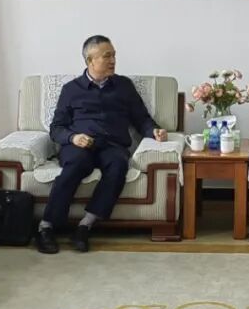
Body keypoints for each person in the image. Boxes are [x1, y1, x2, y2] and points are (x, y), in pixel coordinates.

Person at [36, 35, 168, 254]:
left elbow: (141, 118)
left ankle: (85, 226)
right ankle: (46, 227)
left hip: (112, 145)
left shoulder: (124, 86)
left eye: (114, 55)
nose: (113, 60)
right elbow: (56, 127)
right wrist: (73, 138)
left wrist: (154, 131)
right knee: (75, 165)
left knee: (118, 165)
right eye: (107, 56)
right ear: (90, 60)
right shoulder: (71, 89)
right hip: (79, 146)